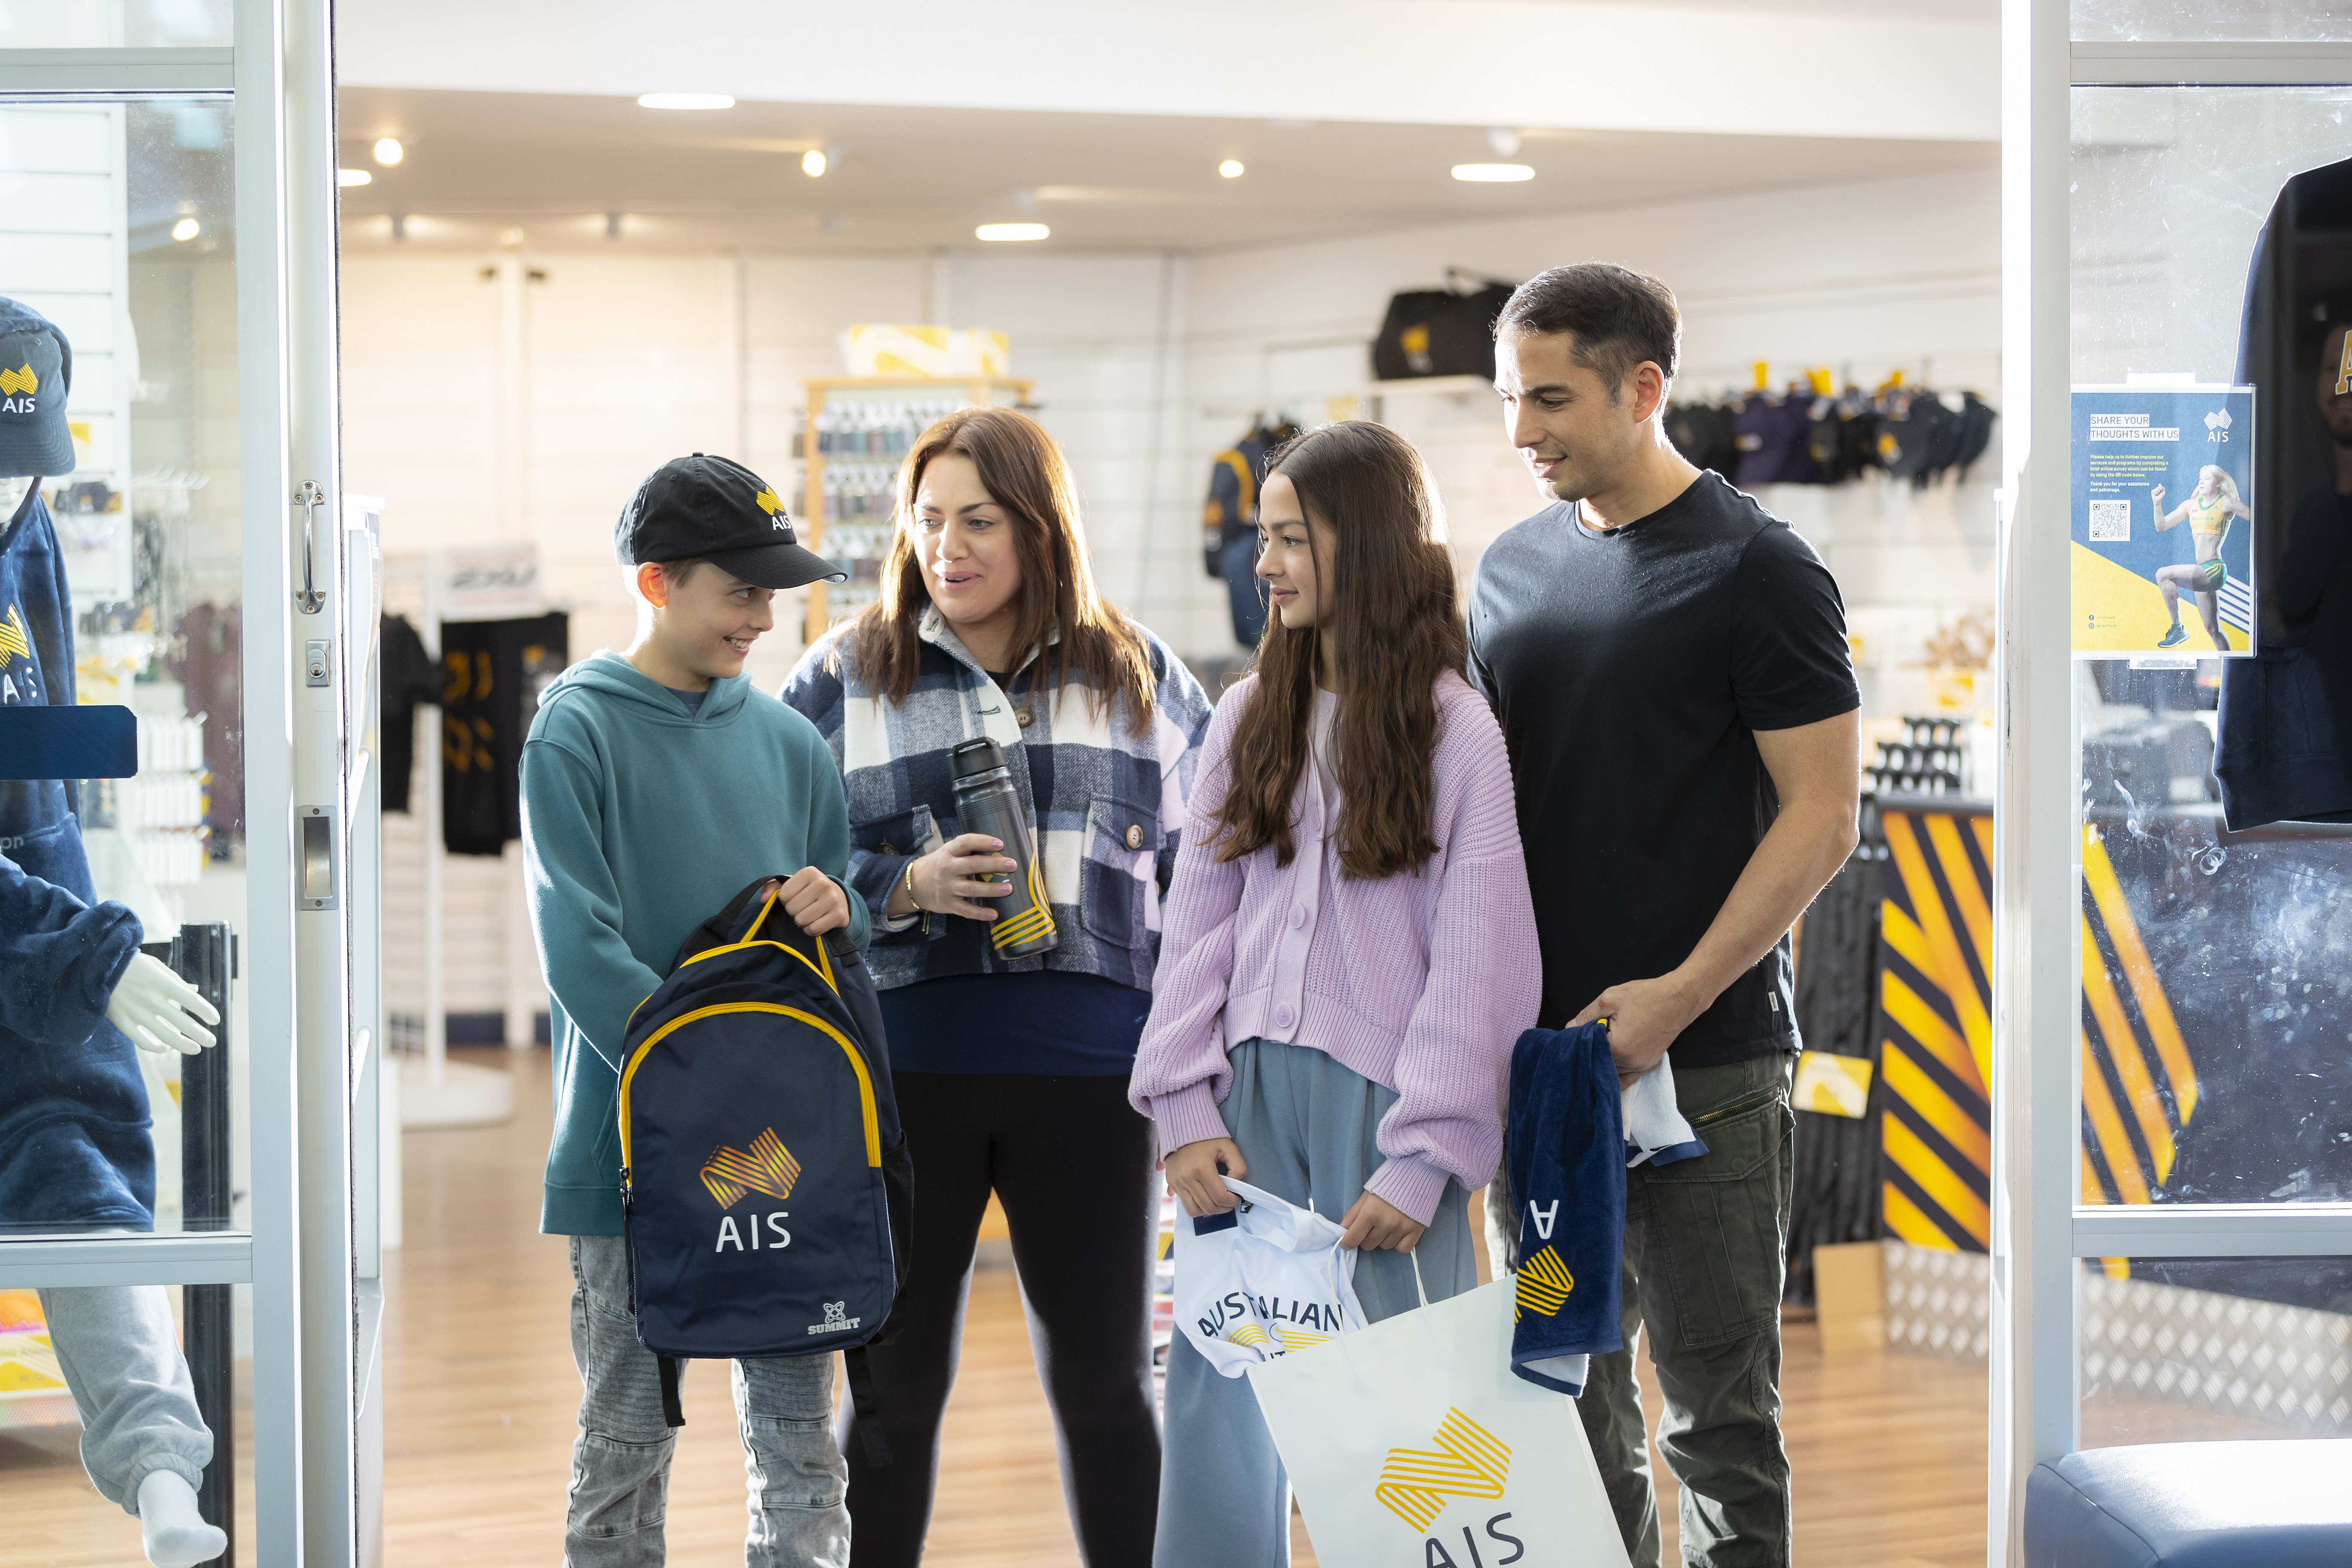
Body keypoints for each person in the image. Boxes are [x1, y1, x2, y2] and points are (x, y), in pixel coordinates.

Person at [1470, 263, 1862, 1568]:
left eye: (1551, 399)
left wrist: (1678, 994)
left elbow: (1823, 819)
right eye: (1509, 400)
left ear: (1646, 389)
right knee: (1566, 1404)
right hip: (1545, 1082)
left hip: (1712, 1073)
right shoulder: (1512, 570)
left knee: (1718, 1425)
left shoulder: (1760, 569)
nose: (1524, 431)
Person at [779, 405, 1213, 1568]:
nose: (949, 546)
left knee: (1111, 1388)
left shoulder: (1139, 673)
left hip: (1095, 1089)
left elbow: (1213, 880)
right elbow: (773, 869)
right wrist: (900, 882)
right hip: (905, 1084)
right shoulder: (839, 678)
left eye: (978, 519)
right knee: (891, 1394)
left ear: (1038, 525)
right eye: (928, 521)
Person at [1129, 420, 1540, 1568]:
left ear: (1363, 545)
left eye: (1289, 539)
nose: (1263, 564)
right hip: (1244, 1117)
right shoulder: (1247, 713)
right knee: (1222, 1403)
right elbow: (1195, 925)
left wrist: (1427, 1157)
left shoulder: (1457, 733)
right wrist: (1182, 1111)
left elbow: (1484, 961)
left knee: (1418, 1422)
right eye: (1263, 539)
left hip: (1390, 1119)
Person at [521, 453, 870, 1568]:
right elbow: (580, 950)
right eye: (742, 592)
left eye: (775, 594)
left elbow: (835, 904)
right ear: (659, 583)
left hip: (785, 1151)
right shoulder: (574, 732)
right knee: (626, 1436)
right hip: (636, 1156)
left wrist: (838, 900)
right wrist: (706, 1083)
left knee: (800, 1436)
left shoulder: (788, 744)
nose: (764, 618)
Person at [2152, 463, 2254, 651]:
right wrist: (2157, 503)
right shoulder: (2190, 506)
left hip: (2214, 569)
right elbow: (2162, 526)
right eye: (2200, 478)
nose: (2202, 482)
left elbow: (2257, 517)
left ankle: (2177, 629)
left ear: (2218, 483)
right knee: (2213, 630)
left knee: (2163, 574)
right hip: (2201, 572)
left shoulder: (2226, 503)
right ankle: (2231, 666)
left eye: (2207, 478)